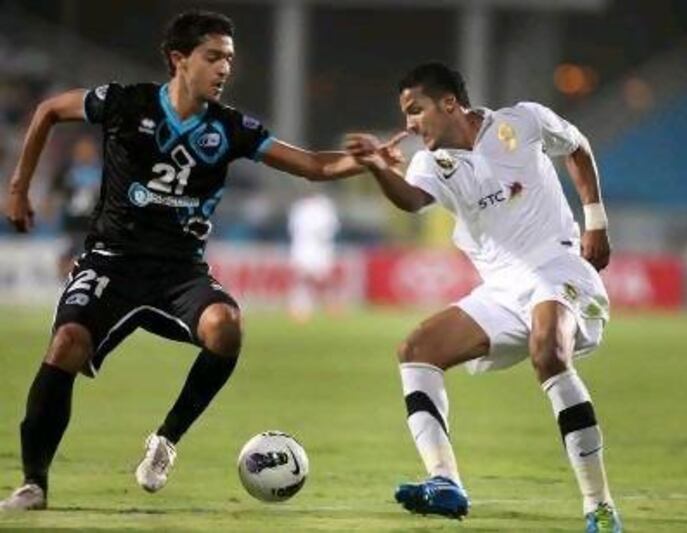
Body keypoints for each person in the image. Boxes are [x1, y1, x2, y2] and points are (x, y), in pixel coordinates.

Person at [1, 10, 371, 511]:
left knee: (226, 327)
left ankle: (166, 441)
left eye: (230, 59)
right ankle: (33, 483)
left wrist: (363, 160)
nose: (224, 69)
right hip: (112, 262)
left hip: (180, 273)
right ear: (180, 59)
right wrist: (21, 188)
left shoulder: (231, 128)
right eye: (213, 57)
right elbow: (47, 110)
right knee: (67, 343)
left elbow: (310, 165)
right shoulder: (125, 103)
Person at [345, 62, 622, 532]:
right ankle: (445, 482)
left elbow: (577, 148)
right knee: (416, 350)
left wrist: (595, 220)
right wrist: (375, 167)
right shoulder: (431, 163)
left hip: (557, 267)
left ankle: (599, 506)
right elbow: (413, 200)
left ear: (449, 103)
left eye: (416, 110)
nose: (409, 124)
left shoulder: (524, 120)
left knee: (548, 351)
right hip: (502, 289)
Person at [48, 134, 103, 277]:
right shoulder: (66, 171)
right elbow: (54, 194)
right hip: (69, 227)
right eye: (82, 150)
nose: (85, 153)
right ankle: (63, 287)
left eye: (88, 150)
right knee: (64, 260)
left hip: (93, 229)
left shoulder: (103, 172)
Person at [287, 191, 341, 322]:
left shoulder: (325, 206)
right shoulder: (299, 207)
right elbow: (294, 228)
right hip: (303, 248)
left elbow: (331, 228)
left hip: (321, 249)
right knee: (303, 279)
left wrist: (321, 235)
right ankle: (301, 308)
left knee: (324, 279)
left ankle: (331, 304)